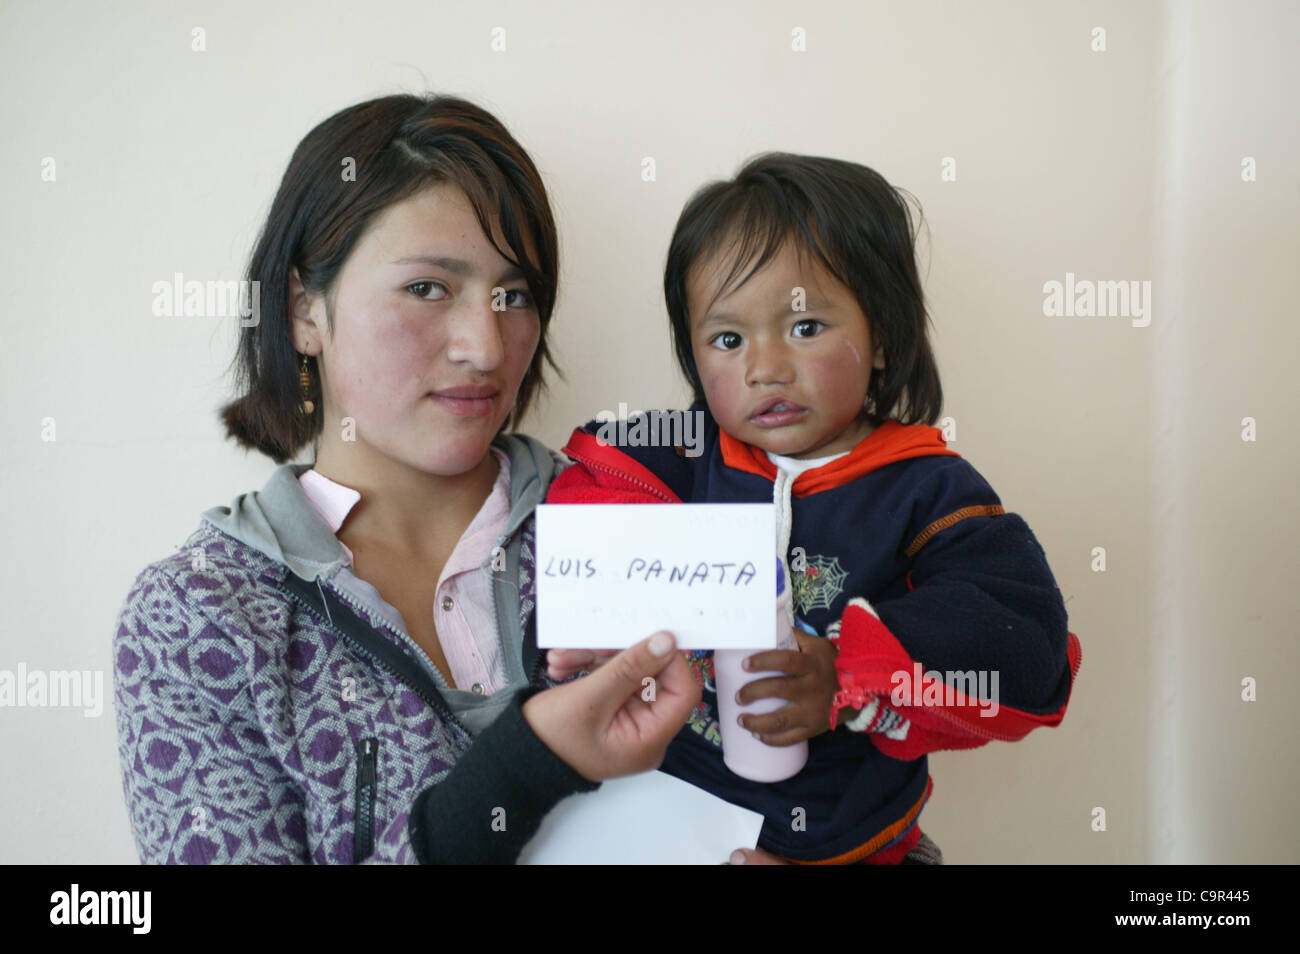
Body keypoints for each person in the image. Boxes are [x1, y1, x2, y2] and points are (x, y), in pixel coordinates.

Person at [111, 93, 699, 865]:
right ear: (303, 311)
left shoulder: (640, 520)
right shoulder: (200, 620)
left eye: (513, 295)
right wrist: (527, 765)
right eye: (428, 287)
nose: (486, 347)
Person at [545, 153, 1083, 864]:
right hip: (667, 818)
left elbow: (1026, 645)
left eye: (804, 327)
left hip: (854, 847)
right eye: (728, 339)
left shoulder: (929, 490)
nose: (764, 368)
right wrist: (604, 611)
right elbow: (587, 488)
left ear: (884, 336)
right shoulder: (677, 455)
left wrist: (847, 670)